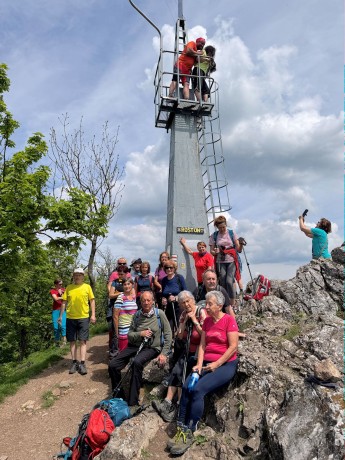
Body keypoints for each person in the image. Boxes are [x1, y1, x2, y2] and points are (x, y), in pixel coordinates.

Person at [166, 290, 238, 456]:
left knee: (198, 390)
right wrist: (199, 365)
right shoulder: (207, 322)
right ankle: (181, 427)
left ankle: (191, 428)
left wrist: (217, 364)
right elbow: (203, 345)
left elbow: (233, 346)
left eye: (210, 304)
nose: (206, 307)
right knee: (186, 386)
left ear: (220, 306)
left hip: (225, 364)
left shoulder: (229, 320)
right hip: (205, 363)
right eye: (206, 303)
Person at [108, 291, 172, 407]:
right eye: (143, 300)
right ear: (140, 302)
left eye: (148, 300)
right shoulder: (137, 315)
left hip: (152, 347)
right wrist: (141, 334)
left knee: (136, 362)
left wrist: (164, 353)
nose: (146, 303)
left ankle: (133, 401)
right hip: (134, 345)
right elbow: (130, 335)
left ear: (153, 301)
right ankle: (119, 397)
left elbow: (168, 334)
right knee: (113, 365)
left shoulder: (159, 314)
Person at [152, 291, 207, 422]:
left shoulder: (201, 312)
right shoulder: (183, 314)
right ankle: (167, 403)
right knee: (176, 371)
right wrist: (184, 322)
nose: (186, 304)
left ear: (193, 300)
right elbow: (180, 336)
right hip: (187, 349)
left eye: (188, 301)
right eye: (183, 302)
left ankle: (177, 409)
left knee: (184, 376)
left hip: (199, 351)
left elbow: (204, 334)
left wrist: (194, 320)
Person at [58, 268, 96, 376]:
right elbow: (64, 302)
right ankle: (74, 362)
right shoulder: (69, 288)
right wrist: (61, 316)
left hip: (83, 317)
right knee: (72, 341)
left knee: (83, 340)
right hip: (70, 317)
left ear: (83, 276)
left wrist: (93, 315)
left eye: (79, 275)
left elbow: (92, 301)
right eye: (75, 275)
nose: (77, 276)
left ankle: (82, 363)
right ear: (73, 276)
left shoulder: (87, 287)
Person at [209, 215, 244, 308]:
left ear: (226, 225)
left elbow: (239, 249)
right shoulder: (214, 235)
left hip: (231, 260)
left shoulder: (232, 233)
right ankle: (224, 302)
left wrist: (241, 244)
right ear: (217, 227)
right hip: (220, 261)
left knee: (229, 281)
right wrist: (215, 252)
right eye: (220, 227)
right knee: (223, 281)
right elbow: (211, 251)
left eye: (223, 227)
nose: (222, 229)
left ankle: (232, 302)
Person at [107, 259, 132, 359]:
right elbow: (111, 295)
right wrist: (120, 293)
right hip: (115, 307)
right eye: (119, 274)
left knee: (127, 329)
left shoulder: (129, 283)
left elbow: (132, 294)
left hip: (126, 308)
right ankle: (114, 352)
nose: (120, 276)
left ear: (126, 274)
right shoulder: (114, 282)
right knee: (114, 329)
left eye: (122, 274)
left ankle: (127, 350)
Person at [161, 261, 187, 333]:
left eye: (171, 267)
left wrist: (176, 298)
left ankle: (179, 343)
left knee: (179, 329)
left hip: (178, 308)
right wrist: (163, 299)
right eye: (167, 268)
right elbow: (163, 294)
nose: (169, 269)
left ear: (174, 268)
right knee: (168, 329)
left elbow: (185, 292)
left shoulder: (179, 278)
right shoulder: (164, 280)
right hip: (169, 308)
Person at [113, 278, 137, 351]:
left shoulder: (133, 297)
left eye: (128, 284)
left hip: (133, 330)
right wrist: (117, 333)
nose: (127, 286)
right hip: (124, 330)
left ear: (132, 285)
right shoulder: (120, 298)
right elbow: (115, 316)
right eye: (125, 284)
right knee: (123, 353)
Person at [50, 279, 67, 347]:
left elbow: (67, 298)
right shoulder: (53, 291)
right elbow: (56, 299)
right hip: (56, 310)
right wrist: (61, 296)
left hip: (63, 310)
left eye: (62, 284)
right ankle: (57, 342)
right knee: (56, 327)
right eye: (60, 284)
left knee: (63, 326)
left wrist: (62, 293)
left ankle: (64, 342)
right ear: (56, 284)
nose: (61, 285)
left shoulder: (64, 290)